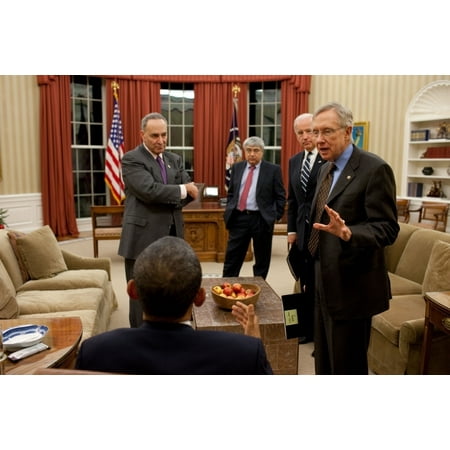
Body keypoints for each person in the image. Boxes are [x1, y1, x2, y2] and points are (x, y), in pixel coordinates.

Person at [76, 236, 273, 375]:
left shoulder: (94, 351)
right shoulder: (244, 352)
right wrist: (256, 345)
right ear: (200, 297)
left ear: (132, 291)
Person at [308, 102, 399, 375]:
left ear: (348, 132)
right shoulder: (325, 168)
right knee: (323, 358)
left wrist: (349, 233)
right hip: (322, 276)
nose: (319, 140)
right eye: (315, 132)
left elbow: (387, 228)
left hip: (352, 286)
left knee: (347, 364)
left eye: (327, 132)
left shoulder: (375, 169)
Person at [118, 112, 199, 328]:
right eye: (155, 136)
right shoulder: (132, 159)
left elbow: (187, 195)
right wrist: (181, 189)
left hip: (173, 237)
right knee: (140, 292)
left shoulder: (174, 159)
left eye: (164, 135)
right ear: (142, 134)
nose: (161, 141)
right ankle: (138, 335)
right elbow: (149, 190)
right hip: (142, 237)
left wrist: (176, 192)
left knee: (172, 288)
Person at [222, 136, 286, 280]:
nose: (252, 154)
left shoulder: (273, 170)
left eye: (256, 150)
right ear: (244, 151)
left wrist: (274, 216)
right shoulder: (237, 167)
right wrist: (230, 209)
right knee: (233, 257)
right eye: (249, 150)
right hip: (239, 218)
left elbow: (280, 196)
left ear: (262, 152)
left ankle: (259, 289)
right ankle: (226, 287)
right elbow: (231, 192)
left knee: (262, 260)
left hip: (261, 219)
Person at [287, 113, 325, 344]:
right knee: (303, 280)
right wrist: (291, 231)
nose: (305, 136)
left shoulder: (328, 159)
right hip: (301, 231)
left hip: (321, 231)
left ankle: (316, 330)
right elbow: (293, 201)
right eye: (300, 133)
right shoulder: (294, 161)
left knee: (317, 281)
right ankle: (305, 328)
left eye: (309, 131)